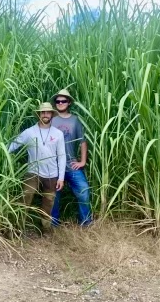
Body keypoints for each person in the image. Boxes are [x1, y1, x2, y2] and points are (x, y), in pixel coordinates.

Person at [8, 102, 66, 232]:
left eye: (48, 112)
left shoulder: (58, 134)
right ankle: (17, 229)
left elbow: (62, 156)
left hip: (52, 174)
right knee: (25, 197)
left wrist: (61, 178)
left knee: (48, 203)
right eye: (43, 112)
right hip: (33, 172)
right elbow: (13, 144)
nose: (45, 115)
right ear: (39, 114)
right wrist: (1, 152)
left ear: (52, 114)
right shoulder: (29, 132)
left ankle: (44, 230)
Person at [51, 89, 92, 226]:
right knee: (53, 197)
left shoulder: (75, 120)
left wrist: (83, 161)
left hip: (72, 165)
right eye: (58, 101)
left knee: (84, 192)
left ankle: (86, 223)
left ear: (69, 103)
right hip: (55, 166)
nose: (60, 103)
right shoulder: (51, 120)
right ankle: (53, 224)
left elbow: (83, 142)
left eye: (63, 101)